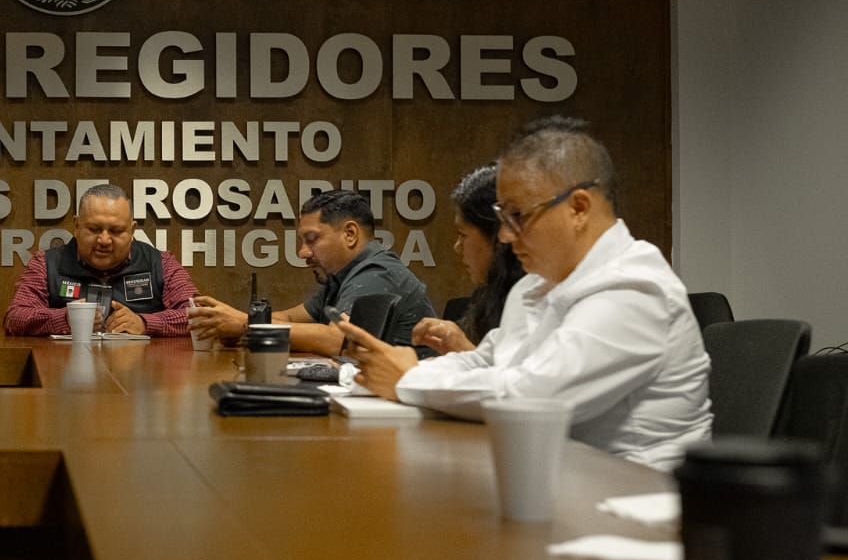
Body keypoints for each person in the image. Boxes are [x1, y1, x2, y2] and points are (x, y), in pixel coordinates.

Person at [339, 115, 711, 471]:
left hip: (635, 508)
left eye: (517, 216)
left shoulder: (635, 288)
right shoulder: (538, 284)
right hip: (561, 480)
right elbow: (488, 361)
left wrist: (408, 378)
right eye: (503, 218)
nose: (504, 235)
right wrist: (399, 366)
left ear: (578, 207)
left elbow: (535, 397)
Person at [189, 189, 434, 354]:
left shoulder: (377, 272)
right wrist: (237, 319)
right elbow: (291, 318)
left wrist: (244, 323)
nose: (302, 253)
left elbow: (337, 340)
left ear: (350, 234)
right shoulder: (341, 277)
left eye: (312, 239)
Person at [3, 183, 197, 336]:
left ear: (132, 230)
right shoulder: (46, 263)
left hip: (139, 378)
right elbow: (15, 317)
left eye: (116, 231)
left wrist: (145, 324)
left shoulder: (161, 263)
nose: (104, 240)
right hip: (64, 374)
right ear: (76, 226)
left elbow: (201, 316)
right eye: (94, 229)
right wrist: (65, 319)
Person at [413, 164, 526, 355]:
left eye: (463, 234)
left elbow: (517, 382)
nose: (457, 247)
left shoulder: (535, 296)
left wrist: (462, 349)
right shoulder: (495, 294)